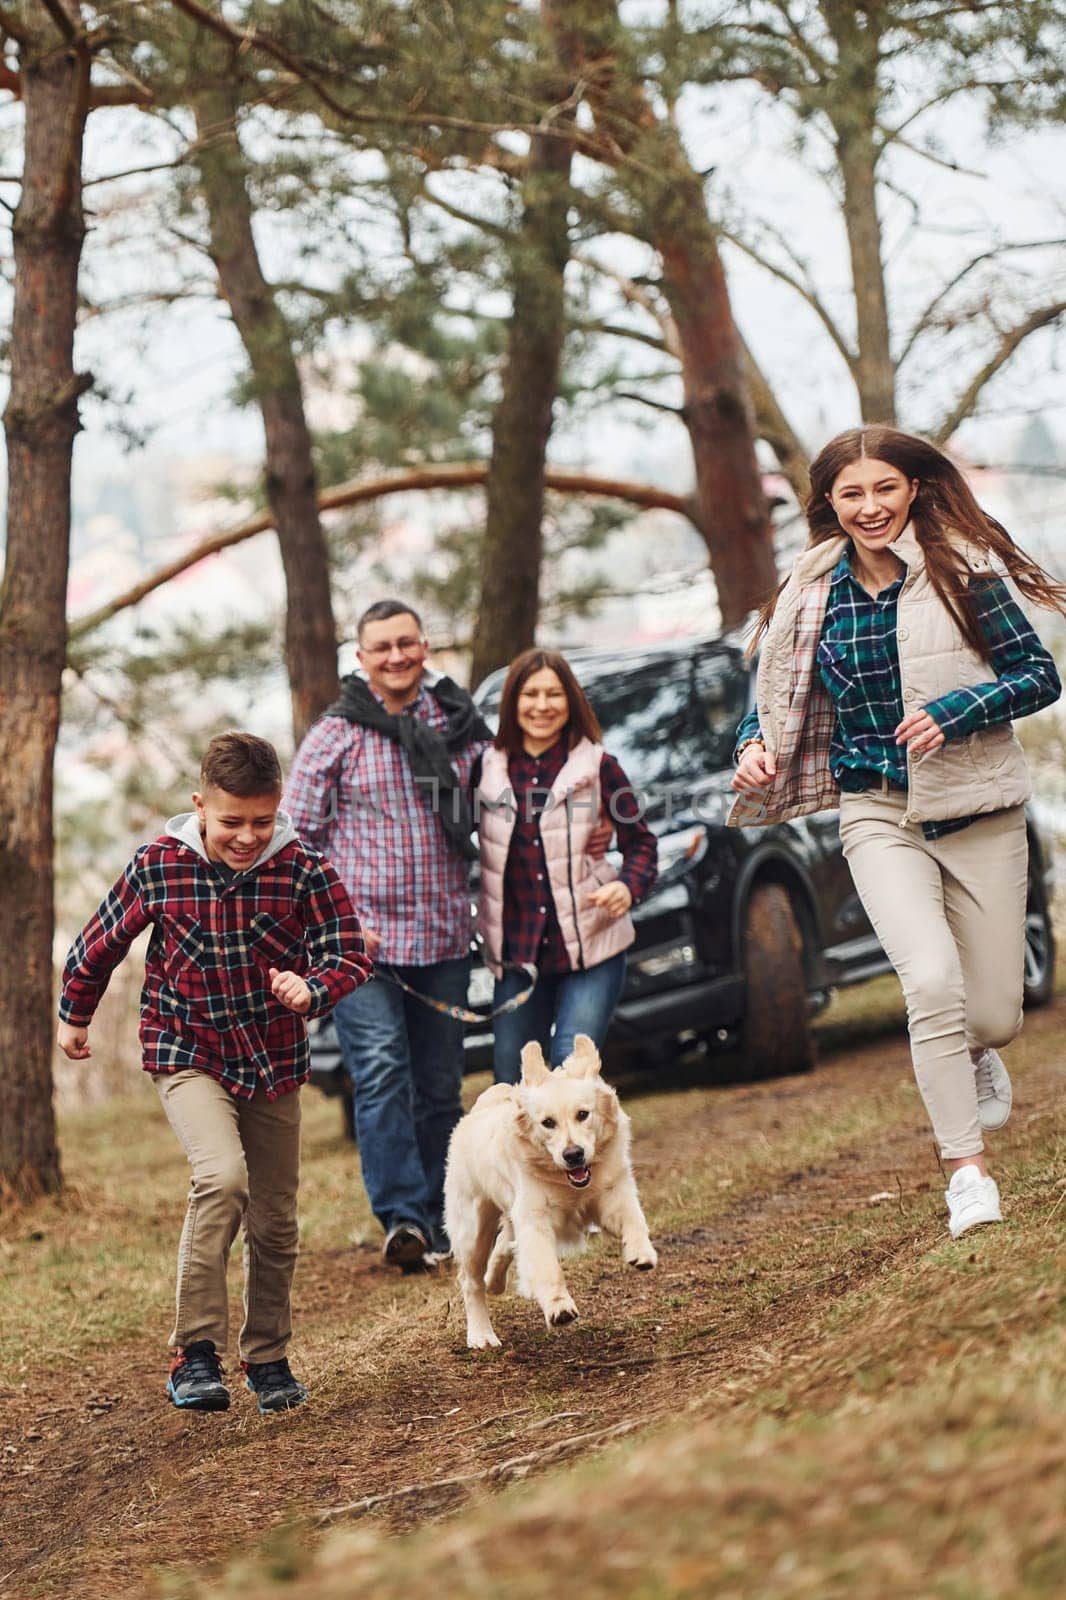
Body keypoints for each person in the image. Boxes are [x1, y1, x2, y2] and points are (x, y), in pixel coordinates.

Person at [729, 425, 1064, 1240]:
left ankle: (976, 1055)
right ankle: (967, 1173)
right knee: (929, 986)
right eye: (852, 494)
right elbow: (771, 690)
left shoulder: (963, 571)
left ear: (912, 488)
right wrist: (750, 744)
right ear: (829, 503)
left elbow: (1039, 676)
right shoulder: (810, 590)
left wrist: (955, 711)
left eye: (884, 488)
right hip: (875, 811)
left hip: (977, 809)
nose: (870, 507)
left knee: (990, 1016)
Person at [57, 732, 371, 1413]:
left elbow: (349, 951)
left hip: (272, 1056)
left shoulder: (302, 867)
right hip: (185, 1047)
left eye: (261, 821)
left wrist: (313, 989)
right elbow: (100, 941)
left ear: (278, 806)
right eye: (231, 822)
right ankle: (194, 1354)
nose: (247, 836)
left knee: (276, 1218)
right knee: (220, 1178)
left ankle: (267, 1358)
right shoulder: (159, 865)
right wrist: (74, 1014)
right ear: (201, 805)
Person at [284, 600, 491, 1269]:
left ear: (425, 647)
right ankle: (401, 1218)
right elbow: (298, 840)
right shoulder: (335, 736)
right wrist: (337, 922)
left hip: (442, 937)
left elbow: (500, 808)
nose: (397, 657)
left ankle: (440, 1215)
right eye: (382, 648)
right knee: (379, 1073)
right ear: (361, 657)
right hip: (360, 949)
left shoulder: (458, 722)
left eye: (407, 644)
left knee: (438, 1083)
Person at [477, 648, 659, 1085]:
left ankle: (585, 1156)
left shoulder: (598, 766)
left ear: (571, 700)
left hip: (593, 944)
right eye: (531, 694)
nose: (542, 706)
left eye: (554, 694)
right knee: (514, 1082)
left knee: (572, 1071)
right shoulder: (485, 768)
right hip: (518, 954)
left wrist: (627, 887)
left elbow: (643, 845)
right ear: (512, 701)